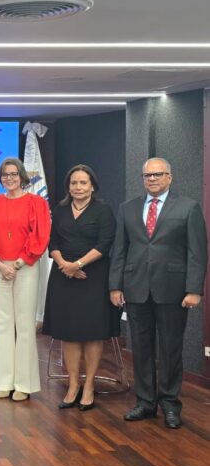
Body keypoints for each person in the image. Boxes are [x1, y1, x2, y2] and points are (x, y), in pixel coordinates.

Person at [110, 157, 207, 429]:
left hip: (174, 291)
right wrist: (115, 286)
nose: (152, 179)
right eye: (147, 176)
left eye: (158, 174)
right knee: (140, 349)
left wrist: (194, 289)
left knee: (170, 349)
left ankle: (169, 403)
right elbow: (119, 251)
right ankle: (144, 402)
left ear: (169, 177)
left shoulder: (188, 208)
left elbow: (197, 253)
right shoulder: (127, 209)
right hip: (136, 289)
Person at [42, 165, 119, 411]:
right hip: (63, 276)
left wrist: (77, 264)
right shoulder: (60, 209)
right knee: (69, 332)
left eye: (83, 183)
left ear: (92, 185)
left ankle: (89, 386)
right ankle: (73, 384)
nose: (78, 187)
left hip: (93, 276)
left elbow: (105, 243)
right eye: (74, 183)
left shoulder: (103, 210)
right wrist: (65, 264)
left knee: (92, 333)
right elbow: (52, 241)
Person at [0, 157, 51, 401]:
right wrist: (0, 264)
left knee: (23, 324)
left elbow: (40, 237)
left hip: (26, 267)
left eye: (13, 173)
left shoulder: (36, 203)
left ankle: (23, 383)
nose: (9, 178)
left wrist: (20, 263)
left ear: (22, 176)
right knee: (2, 324)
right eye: (4, 174)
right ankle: (4, 381)